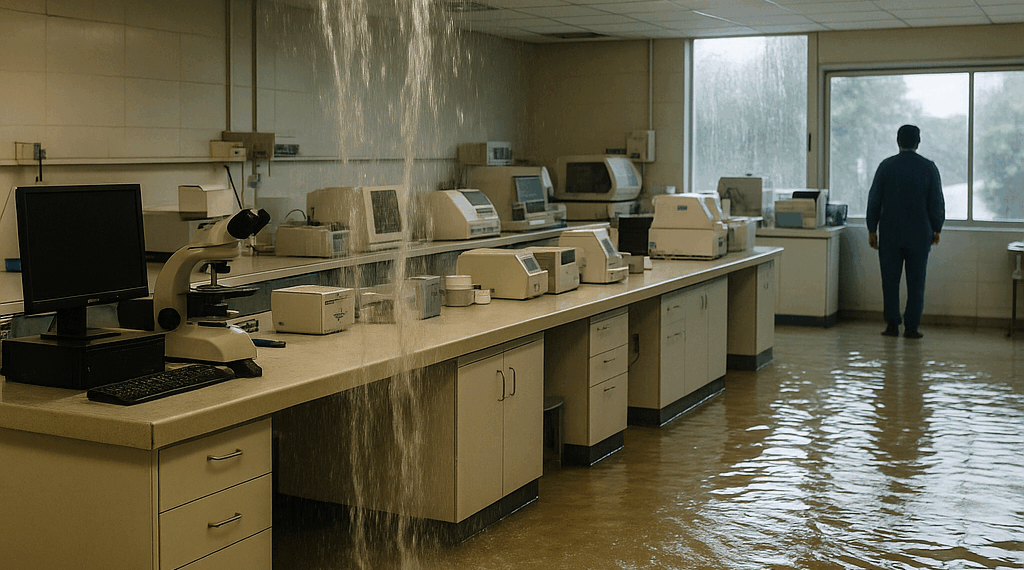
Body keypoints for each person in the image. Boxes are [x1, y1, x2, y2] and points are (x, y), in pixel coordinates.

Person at [866, 124, 945, 339]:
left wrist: (872, 229)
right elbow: (936, 200)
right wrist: (936, 227)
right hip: (919, 234)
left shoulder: (886, 166)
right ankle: (912, 327)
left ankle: (892, 325)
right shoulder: (928, 167)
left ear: (897, 141)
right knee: (916, 282)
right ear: (918, 142)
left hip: (890, 233)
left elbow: (874, 199)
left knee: (889, 281)